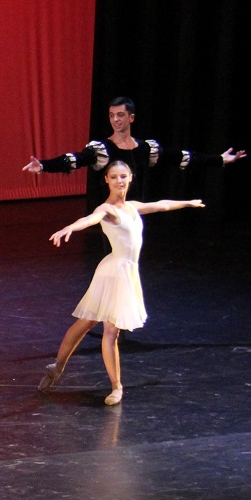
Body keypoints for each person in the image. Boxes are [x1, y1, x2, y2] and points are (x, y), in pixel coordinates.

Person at [38, 159, 204, 405]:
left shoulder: (131, 207)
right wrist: (71, 227)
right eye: (114, 177)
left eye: (123, 176)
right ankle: (114, 386)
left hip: (125, 272)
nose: (119, 181)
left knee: (86, 322)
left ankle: (58, 367)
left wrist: (187, 203)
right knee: (109, 330)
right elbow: (91, 219)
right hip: (114, 272)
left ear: (130, 178)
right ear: (107, 180)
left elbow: (160, 206)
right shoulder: (107, 210)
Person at [23, 96, 246, 199]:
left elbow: (179, 157)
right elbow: (75, 159)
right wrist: (43, 165)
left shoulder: (145, 149)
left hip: (135, 211)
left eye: (120, 115)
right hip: (111, 212)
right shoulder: (102, 149)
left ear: (131, 118)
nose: (115, 120)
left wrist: (219, 159)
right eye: (111, 116)